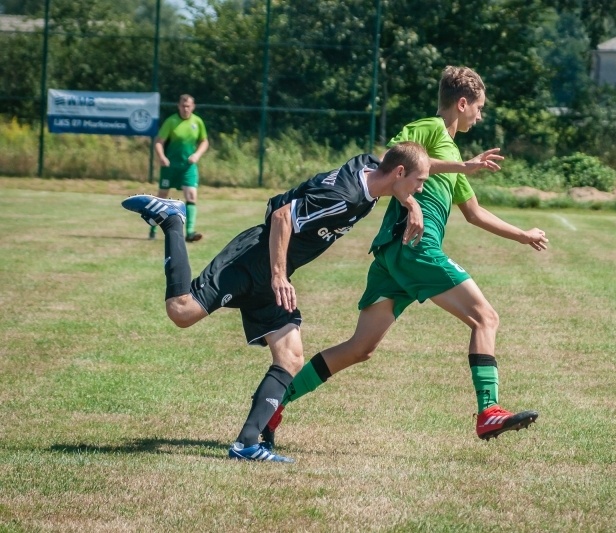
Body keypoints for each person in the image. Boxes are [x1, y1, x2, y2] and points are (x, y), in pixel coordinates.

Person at [263, 66, 549, 453]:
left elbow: (475, 214)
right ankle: (488, 411)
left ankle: (272, 405)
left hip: (392, 258)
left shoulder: (453, 157)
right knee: (487, 318)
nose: (479, 116)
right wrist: (414, 199)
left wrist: (524, 235)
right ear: (461, 103)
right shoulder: (431, 128)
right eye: (478, 108)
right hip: (415, 247)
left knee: (359, 348)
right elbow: (391, 162)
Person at [121, 142, 430, 462]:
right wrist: (279, 275)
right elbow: (283, 216)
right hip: (253, 259)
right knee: (182, 311)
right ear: (398, 173)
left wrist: (417, 201)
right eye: (419, 182)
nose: (420, 189)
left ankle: (247, 444)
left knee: (291, 357)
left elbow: (405, 165)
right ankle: (172, 219)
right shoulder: (344, 198)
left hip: (271, 273)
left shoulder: (370, 168)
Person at [150, 94, 209, 242]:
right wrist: (162, 157)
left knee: (191, 196)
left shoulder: (197, 122)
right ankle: (153, 228)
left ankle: (189, 233)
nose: (185, 109)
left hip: (188, 167)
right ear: (178, 106)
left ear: (193, 107)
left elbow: (204, 141)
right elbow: (158, 142)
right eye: (183, 106)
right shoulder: (171, 121)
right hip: (170, 166)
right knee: (162, 198)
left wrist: (197, 155)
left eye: (188, 106)